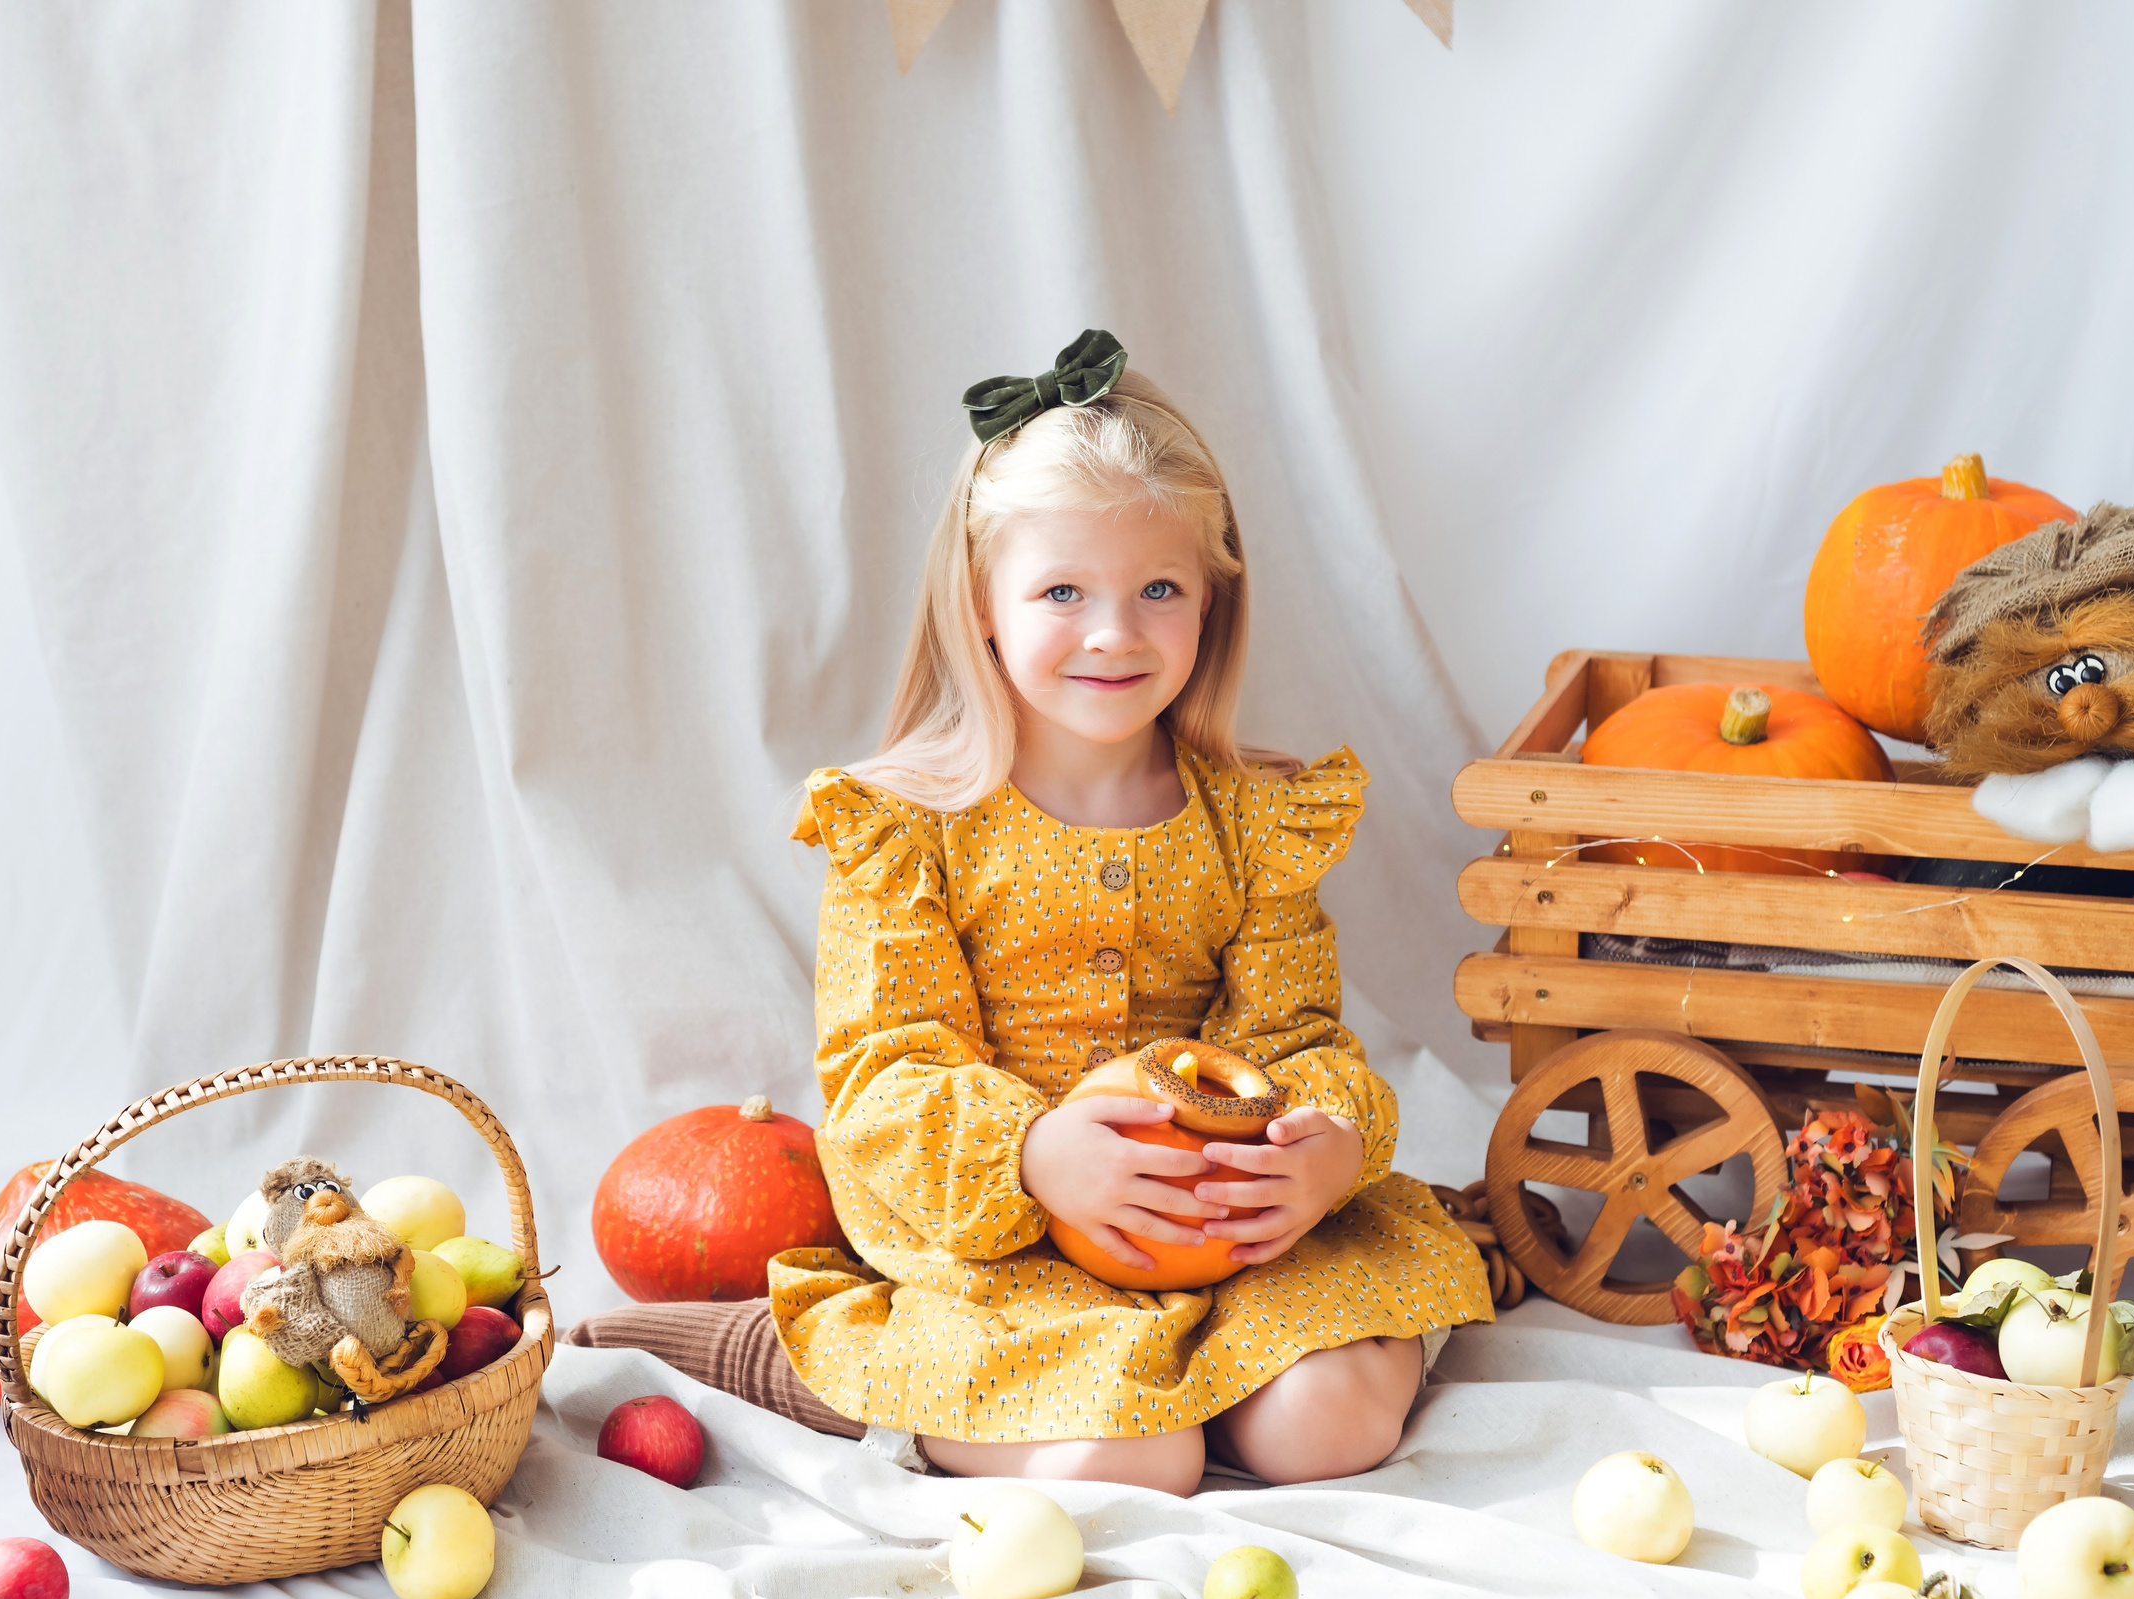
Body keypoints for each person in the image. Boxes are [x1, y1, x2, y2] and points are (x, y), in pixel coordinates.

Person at [569, 331, 1491, 1494]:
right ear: (982, 604)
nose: (1115, 632)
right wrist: (1034, 1154)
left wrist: (1326, 1145)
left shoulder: (1256, 818)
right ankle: (792, 1359)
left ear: (1211, 598)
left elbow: (1295, 1032)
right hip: (1003, 1238)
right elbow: (885, 1068)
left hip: (1221, 1229)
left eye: (1159, 589)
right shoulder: (908, 827)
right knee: (1132, 1461)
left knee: (1328, 1430)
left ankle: (1228, 1371)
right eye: (1062, 590)